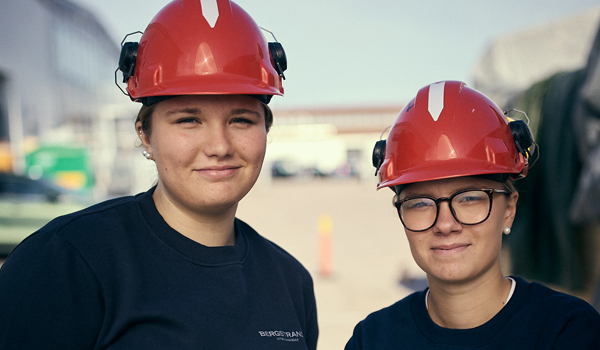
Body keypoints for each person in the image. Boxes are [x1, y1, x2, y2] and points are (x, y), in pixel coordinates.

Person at [0, 0, 318, 349]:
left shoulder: (289, 281)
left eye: (241, 119)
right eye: (188, 120)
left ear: (266, 129)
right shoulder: (67, 262)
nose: (219, 146)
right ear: (145, 134)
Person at [346, 81, 600, 349]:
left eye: (469, 198)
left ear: (509, 211)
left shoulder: (566, 331)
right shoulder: (373, 339)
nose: (445, 224)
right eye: (421, 203)